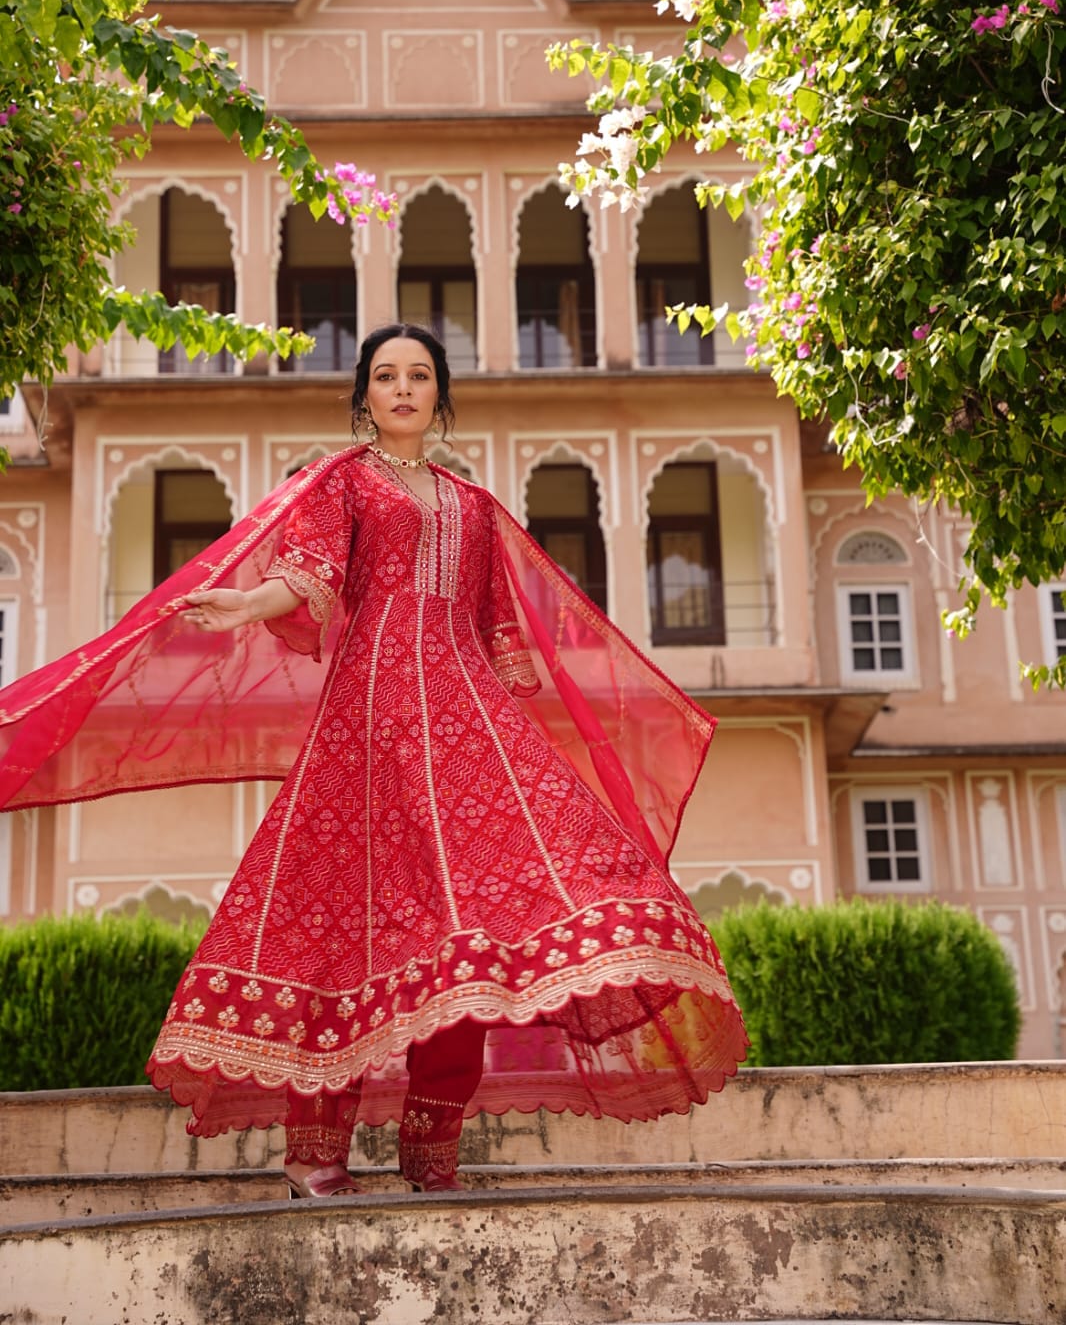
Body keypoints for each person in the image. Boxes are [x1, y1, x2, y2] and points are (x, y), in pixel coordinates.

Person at [0, 323, 747, 1198]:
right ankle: (318, 1153)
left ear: (439, 396)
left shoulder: (473, 507)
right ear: (363, 396)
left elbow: (502, 632)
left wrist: (514, 751)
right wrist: (248, 604)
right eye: (385, 376)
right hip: (371, 718)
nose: (402, 389)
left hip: (467, 719)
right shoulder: (342, 483)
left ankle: (433, 1151)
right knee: (345, 927)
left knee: (472, 942)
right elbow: (310, 579)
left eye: (419, 375)